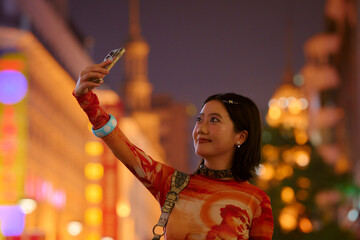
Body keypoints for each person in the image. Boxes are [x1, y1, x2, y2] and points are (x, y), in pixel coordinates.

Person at [73, 60, 274, 239]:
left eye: (214, 120)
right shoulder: (174, 185)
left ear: (241, 136)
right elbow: (126, 151)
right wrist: (88, 103)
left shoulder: (256, 202)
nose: (201, 129)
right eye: (199, 120)